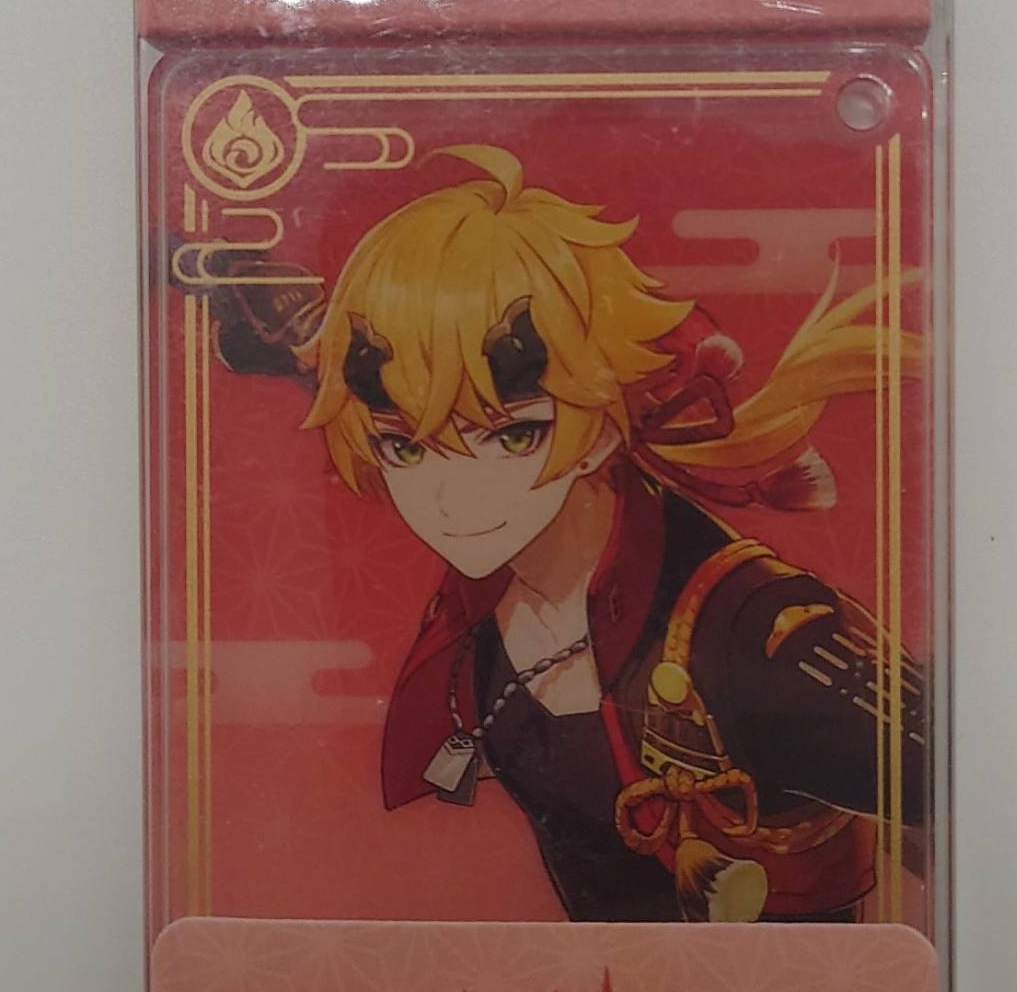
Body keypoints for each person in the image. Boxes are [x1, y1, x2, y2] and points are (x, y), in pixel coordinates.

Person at [216, 143, 928, 924]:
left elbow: (967, 796)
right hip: (571, 989)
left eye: (514, 435)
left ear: (603, 426)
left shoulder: (761, 636)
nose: (448, 498)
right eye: (405, 449)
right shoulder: (492, 610)